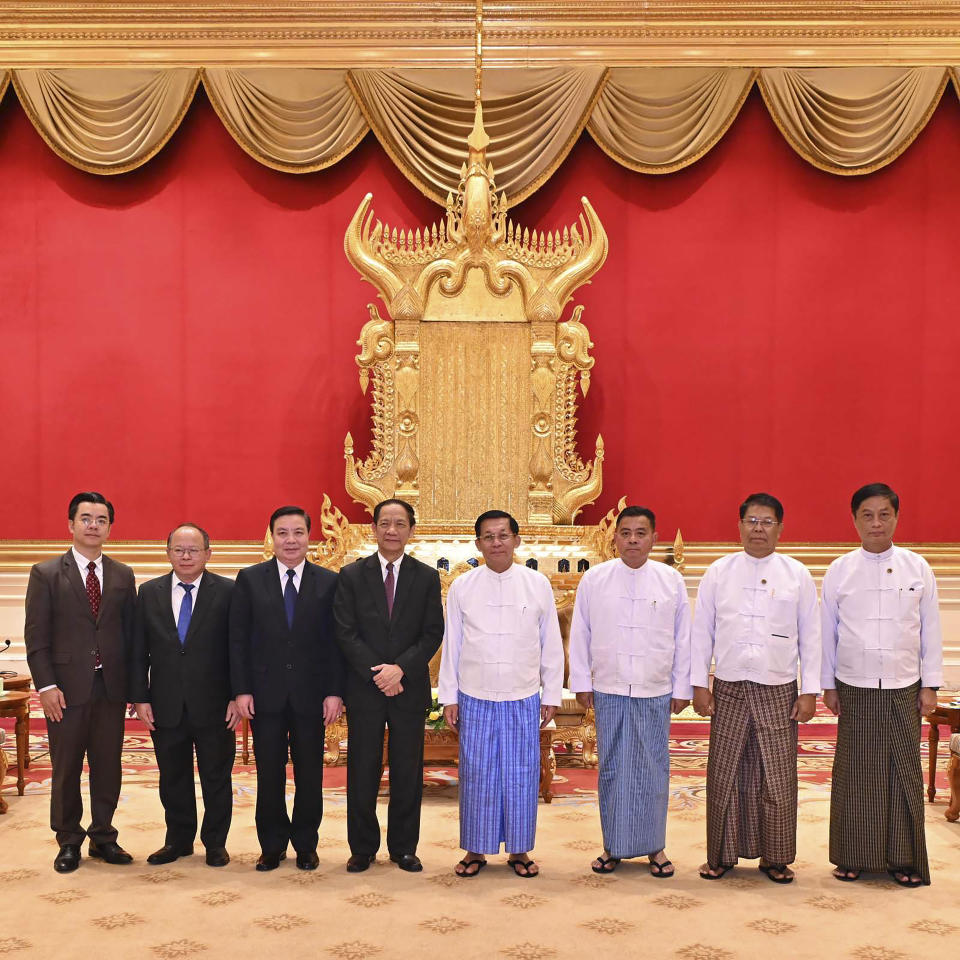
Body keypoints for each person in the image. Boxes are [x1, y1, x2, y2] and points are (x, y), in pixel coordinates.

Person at [691, 492, 819, 883]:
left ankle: (776, 858)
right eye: (751, 521)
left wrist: (809, 690)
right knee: (725, 774)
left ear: (781, 527)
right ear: (740, 525)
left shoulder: (797, 574)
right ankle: (721, 855)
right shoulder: (719, 572)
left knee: (776, 776)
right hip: (728, 685)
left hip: (778, 687)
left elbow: (811, 637)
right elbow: (702, 633)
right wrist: (700, 684)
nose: (758, 529)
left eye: (766, 522)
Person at [821, 482, 942, 887]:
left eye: (884, 514)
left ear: (895, 517)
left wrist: (931, 686)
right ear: (854, 520)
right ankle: (852, 856)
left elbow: (931, 632)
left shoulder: (917, 567)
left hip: (904, 684)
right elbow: (828, 633)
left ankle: (903, 858)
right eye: (867, 515)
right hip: (853, 682)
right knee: (855, 772)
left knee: (902, 772)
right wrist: (828, 685)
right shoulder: (840, 569)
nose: (876, 523)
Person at [438, 510, 564, 879]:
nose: (496, 543)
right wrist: (450, 697)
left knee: (521, 774)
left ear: (517, 540)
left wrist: (551, 693)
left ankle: (520, 850)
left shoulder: (536, 583)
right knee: (478, 773)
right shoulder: (463, 586)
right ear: (478, 544)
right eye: (488, 537)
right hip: (474, 694)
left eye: (503, 535)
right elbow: (453, 646)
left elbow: (551, 644)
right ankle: (475, 849)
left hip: (522, 694)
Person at [568, 506, 692, 878]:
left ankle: (655, 847)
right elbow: (580, 634)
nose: (633, 540)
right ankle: (614, 847)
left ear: (654, 538)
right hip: (610, 686)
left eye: (641, 533)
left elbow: (684, 638)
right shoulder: (596, 579)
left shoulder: (671, 580)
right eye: (626, 533)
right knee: (613, 769)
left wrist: (682, 687)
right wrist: (581, 683)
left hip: (655, 688)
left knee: (654, 769)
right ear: (615, 538)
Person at [24, 492, 137, 873]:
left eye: (101, 519)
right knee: (67, 767)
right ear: (71, 524)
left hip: (111, 688)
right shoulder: (46, 573)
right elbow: (36, 638)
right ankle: (68, 840)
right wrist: (46, 687)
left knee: (108, 766)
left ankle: (104, 836)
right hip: (65, 690)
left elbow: (131, 637)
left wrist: (136, 688)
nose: (93, 525)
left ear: (110, 527)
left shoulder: (123, 574)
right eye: (86, 518)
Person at [230, 505, 345, 871]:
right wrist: (241, 690)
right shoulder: (249, 579)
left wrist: (334, 691)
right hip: (265, 696)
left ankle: (306, 845)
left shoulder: (329, 581)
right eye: (282, 533)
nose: (290, 540)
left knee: (310, 773)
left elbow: (336, 643)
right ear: (272, 537)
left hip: (313, 696)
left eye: (298, 532)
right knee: (270, 773)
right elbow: (239, 640)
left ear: (310, 536)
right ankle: (272, 844)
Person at [334, 499, 444, 873]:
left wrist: (401, 670)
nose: (392, 530)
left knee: (407, 771)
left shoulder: (427, 577)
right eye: (384, 523)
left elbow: (432, 633)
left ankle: (403, 848)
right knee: (362, 769)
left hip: (407, 688)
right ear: (374, 529)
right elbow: (345, 632)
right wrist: (378, 673)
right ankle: (362, 848)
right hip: (365, 689)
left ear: (411, 530)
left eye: (399, 523)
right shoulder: (351, 575)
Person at [129, 523, 239, 868]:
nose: (186, 555)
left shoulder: (229, 591)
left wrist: (238, 696)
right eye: (179, 549)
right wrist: (140, 697)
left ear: (209, 552)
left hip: (216, 704)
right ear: (168, 553)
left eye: (194, 549)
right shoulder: (148, 592)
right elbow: (138, 650)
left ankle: (216, 843)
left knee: (216, 777)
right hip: (165, 703)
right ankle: (177, 840)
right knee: (172, 777)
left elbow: (239, 649)